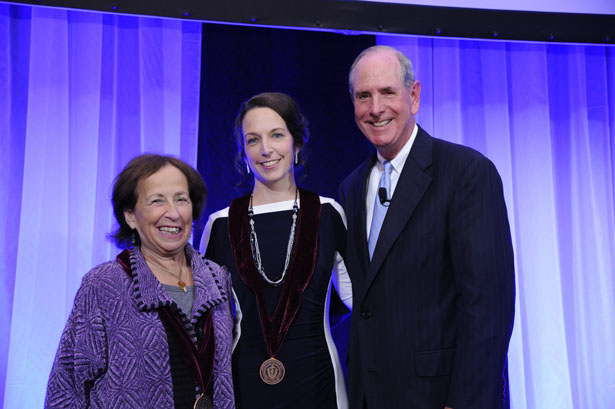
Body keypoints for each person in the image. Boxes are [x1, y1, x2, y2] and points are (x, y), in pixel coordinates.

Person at [338, 45, 515, 409]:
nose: (375, 108)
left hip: (439, 398)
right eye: (363, 96)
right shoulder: (351, 186)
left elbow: (488, 309)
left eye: (388, 92)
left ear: (413, 96)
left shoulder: (466, 172)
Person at [45, 154, 235, 409]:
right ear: (130, 216)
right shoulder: (104, 284)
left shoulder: (216, 278)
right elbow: (67, 387)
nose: (173, 213)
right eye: (157, 201)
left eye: (181, 199)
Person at [200, 92, 352, 409]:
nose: (266, 149)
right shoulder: (219, 226)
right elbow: (206, 323)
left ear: (297, 144)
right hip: (243, 387)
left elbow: (361, 301)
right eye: (253, 140)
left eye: (277, 135)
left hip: (318, 385)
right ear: (242, 152)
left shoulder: (329, 214)